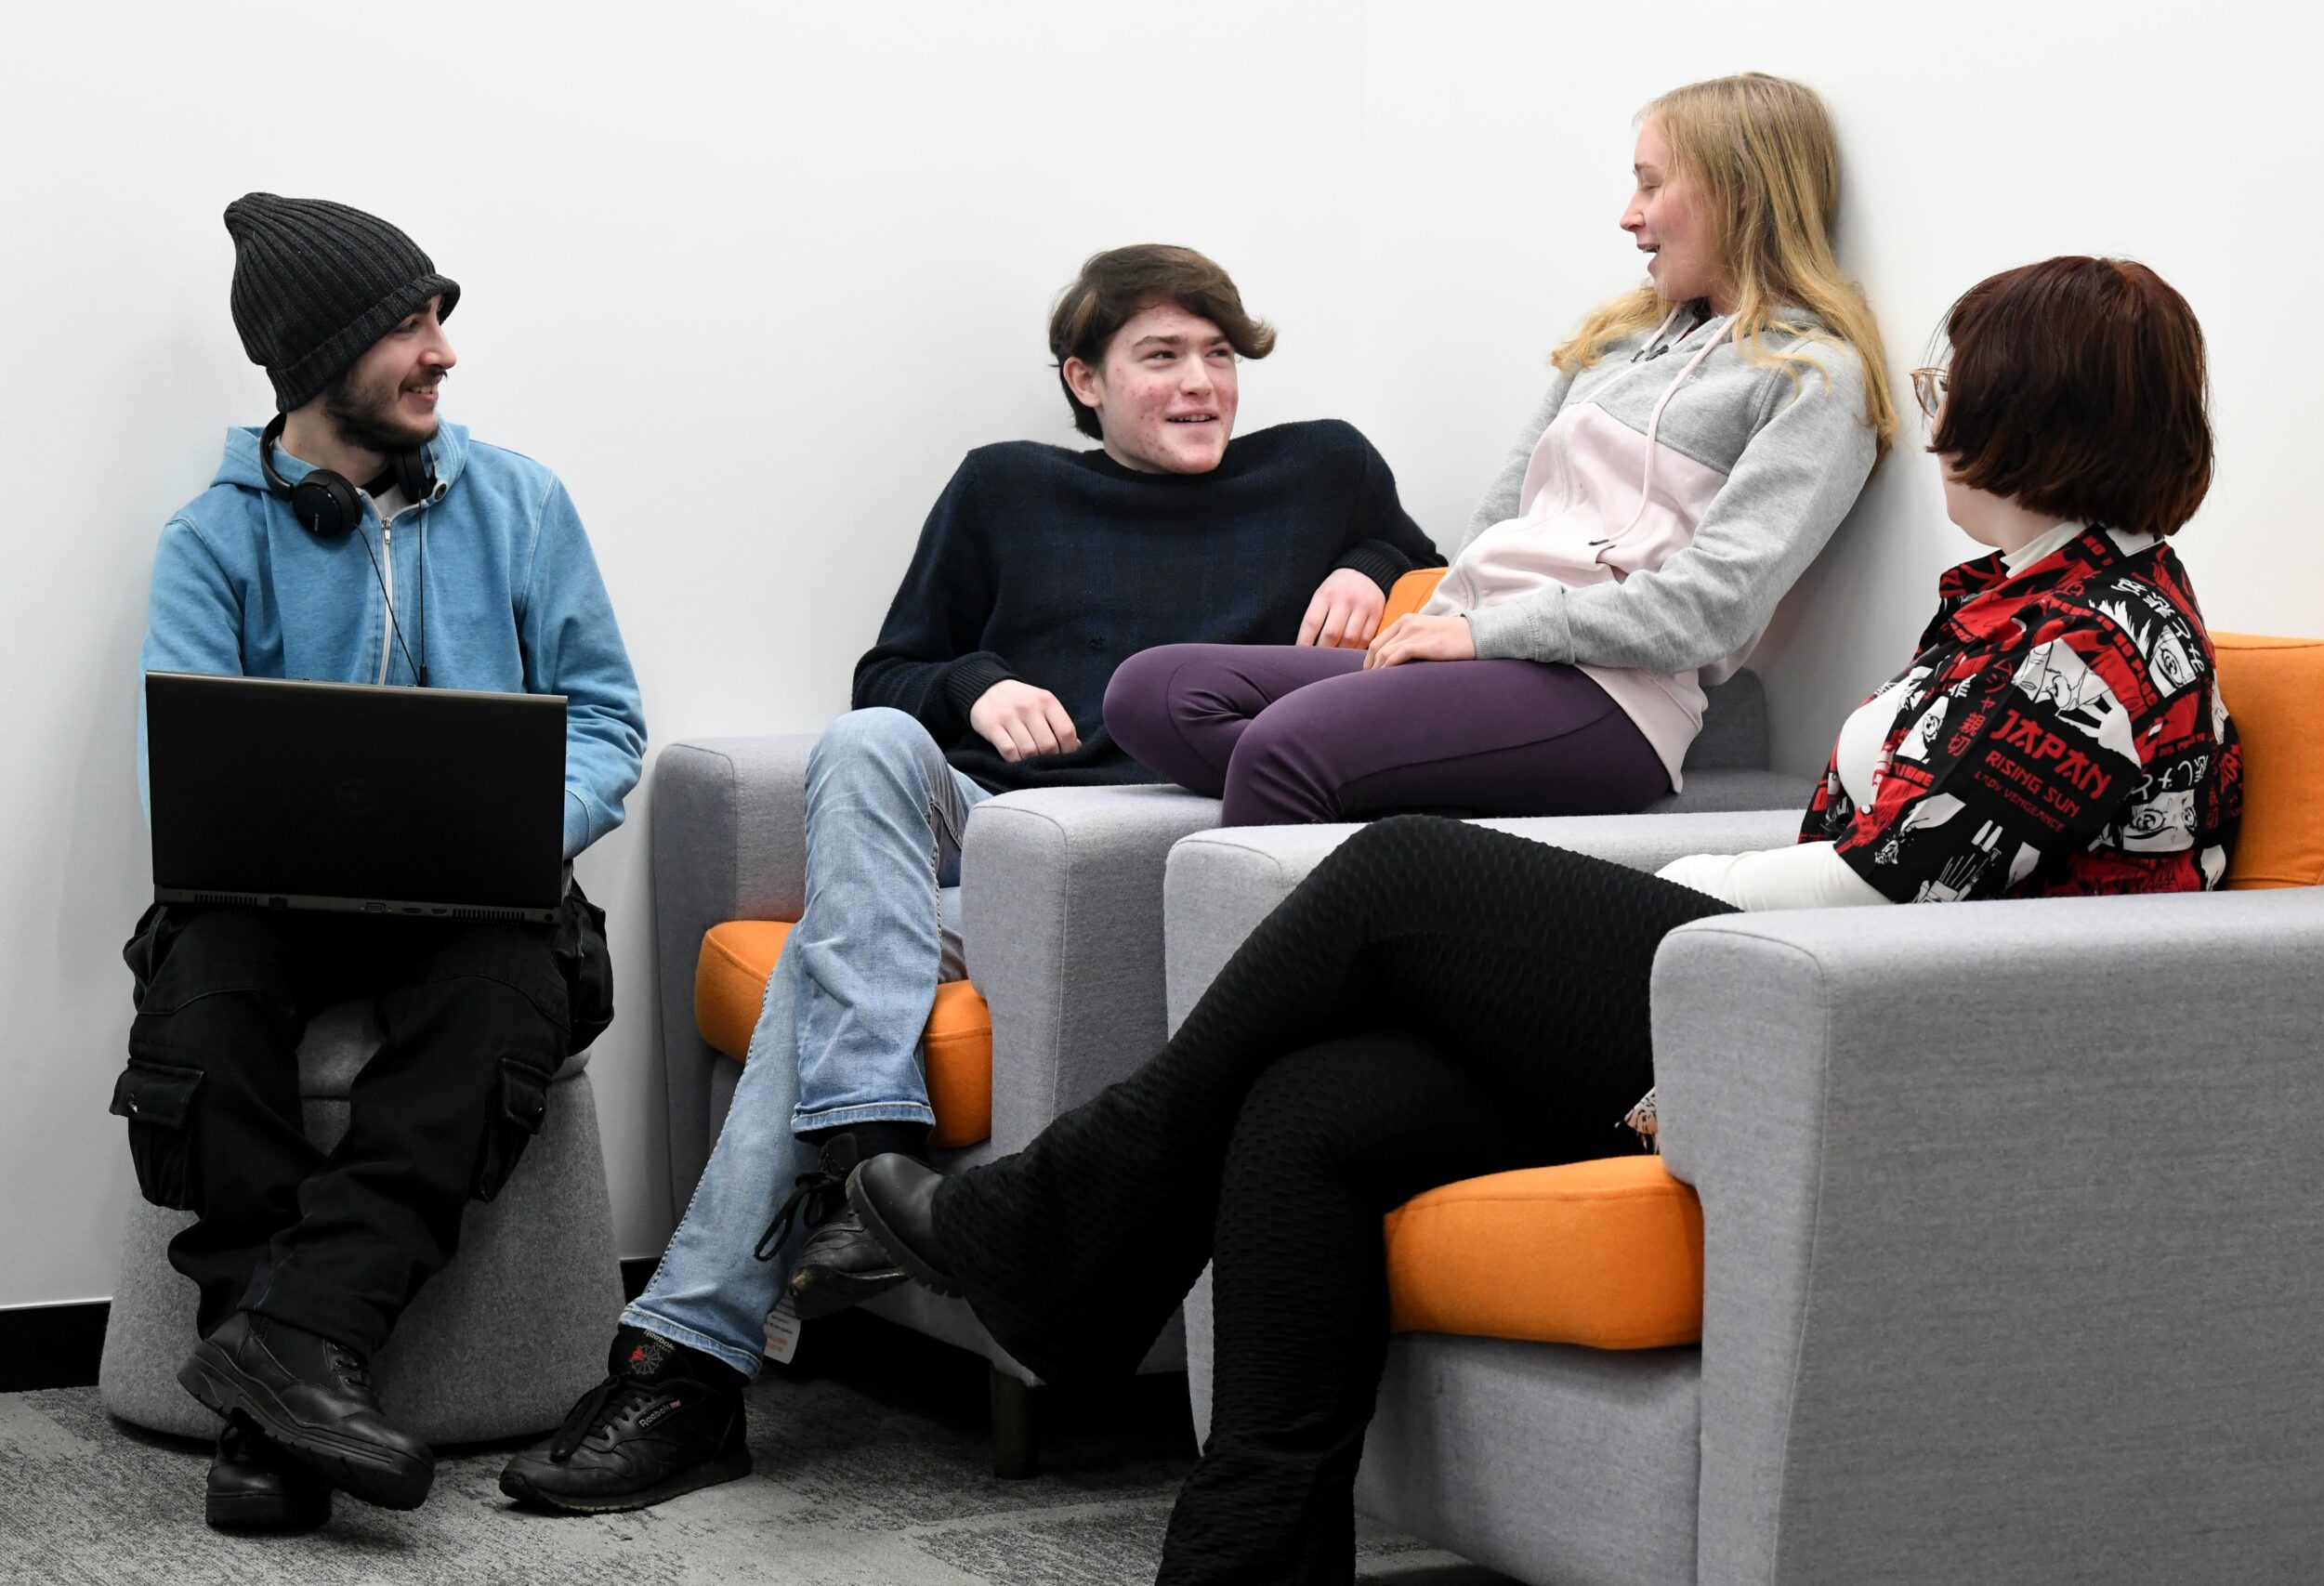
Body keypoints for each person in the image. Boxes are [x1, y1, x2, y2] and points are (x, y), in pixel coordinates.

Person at [845, 254, 2240, 1583]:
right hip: (1777, 987)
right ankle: (1239, 1554)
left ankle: (1054, 1223)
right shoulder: (2014, 605)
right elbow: (1869, 852)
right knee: (1311, 1107)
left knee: (1398, 873)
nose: (1935, 416)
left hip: (1862, 1041)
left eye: (1955, 388)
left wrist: (1663, 907)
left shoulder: (2104, 638)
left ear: (2037, 412)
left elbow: (1896, 891)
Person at [501, 243, 1443, 1514]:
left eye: (1220, 355)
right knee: (870, 742)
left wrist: (1377, 565)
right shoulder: (1005, 490)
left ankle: (683, 1363)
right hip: (986, 838)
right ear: (1084, 378)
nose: (1204, 383)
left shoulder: (1325, 470)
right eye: (1162, 355)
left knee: (836, 956)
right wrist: (973, 685)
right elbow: (888, 672)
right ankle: (865, 1151)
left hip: (1152, 853)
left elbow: (1453, 601)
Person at [119, 194, 644, 1531]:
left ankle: (274, 1372)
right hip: (266, 904)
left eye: (439, 320)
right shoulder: (212, 537)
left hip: (486, 894)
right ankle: (295, 1374)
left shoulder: (521, 502)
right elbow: (178, 773)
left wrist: (526, 828)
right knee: (201, 1005)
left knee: (499, 1004)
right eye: (409, 326)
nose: (442, 352)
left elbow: (610, 715)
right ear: (317, 358)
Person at [1101, 73, 1896, 827]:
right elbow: (1500, 518)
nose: (1629, 214)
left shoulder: (1814, 379)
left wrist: (1485, 638)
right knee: (1155, 691)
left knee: (1286, 748)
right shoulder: (1616, 344)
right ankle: (1385, 789)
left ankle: (1305, 891)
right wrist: (1451, 630)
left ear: (1742, 191)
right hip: (1480, 655)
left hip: (1609, 695)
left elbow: (1712, 611)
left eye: (1652, 184)